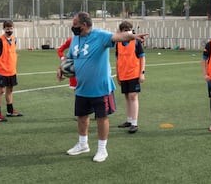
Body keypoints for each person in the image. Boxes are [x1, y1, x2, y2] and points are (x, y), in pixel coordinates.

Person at [57, 12, 148, 162]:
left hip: (100, 87)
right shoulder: (75, 39)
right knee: (82, 117)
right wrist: (61, 68)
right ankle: (82, 144)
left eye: (75, 24)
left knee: (101, 118)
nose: (72, 27)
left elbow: (117, 37)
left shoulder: (100, 35)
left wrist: (132, 36)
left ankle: (102, 149)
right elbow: (70, 58)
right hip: (82, 88)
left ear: (84, 25)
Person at [116, 21, 146, 134]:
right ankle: (129, 120)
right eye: (124, 30)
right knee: (127, 96)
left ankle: (134, 123)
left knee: (133, 96)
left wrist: (142, 73)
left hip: (134, 73)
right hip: (123, 74)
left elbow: (142, 58)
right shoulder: (118, 43)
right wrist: (118, 75)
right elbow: (117, 59)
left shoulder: (136, 42)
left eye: (128, 29)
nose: (127, 31)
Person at [0, 20, 22, 122]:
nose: (9, 30)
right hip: (2, 71)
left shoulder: (14, 39)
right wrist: (0, 63)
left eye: (11, 28)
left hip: (12, 70)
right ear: (4, 28)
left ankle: (10, 110)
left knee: (10, 90)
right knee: (1, 91)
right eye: (7, 29)